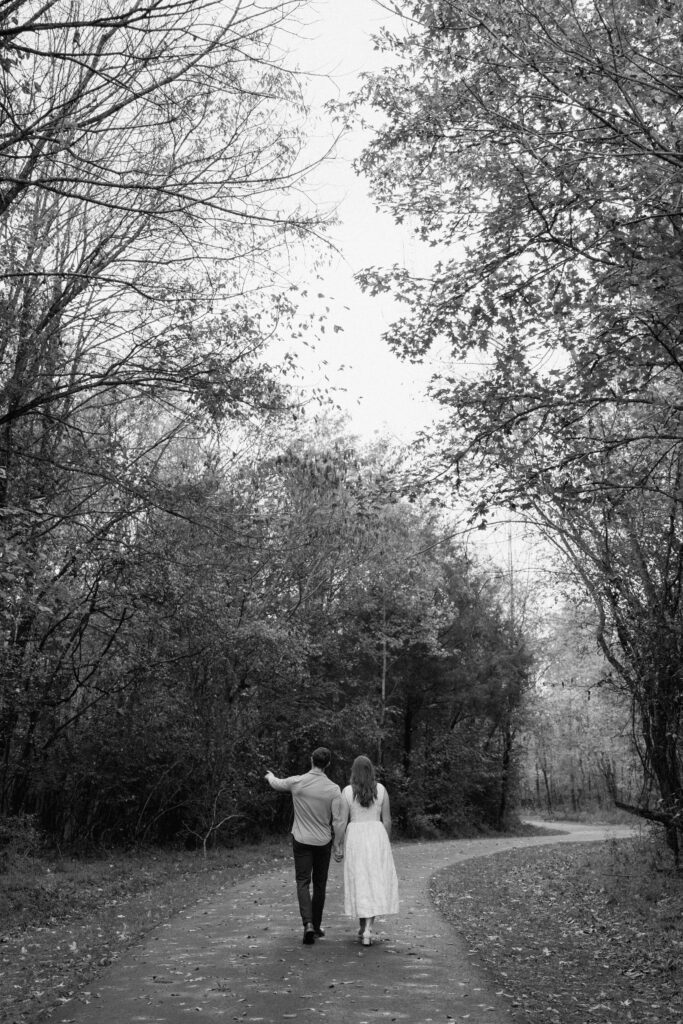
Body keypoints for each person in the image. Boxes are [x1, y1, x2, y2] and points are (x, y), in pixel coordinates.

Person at [265, 747, 346, 945]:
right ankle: (316, 927)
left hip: (301, 840)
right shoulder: (334, 789)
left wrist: (270, 776)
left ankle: (308, 924)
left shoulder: (297, 782)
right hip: (323, 842)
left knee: (302, 881)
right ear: (328, 764)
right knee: (320, 884)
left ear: (311, 760)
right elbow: (338, 821)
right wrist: (338, 845)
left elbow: (277, 784)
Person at [339, 754, 399, 946]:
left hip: (356, 836)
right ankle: (367, 929)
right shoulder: (381, 790)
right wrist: (385, 842)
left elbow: (342, 820)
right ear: (371, 770)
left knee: (360, 879)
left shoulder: (347, 792)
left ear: (354, 772)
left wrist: (337, 843)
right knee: (373, 880)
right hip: (376, 835)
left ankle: (363, 927)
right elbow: (387, 820)